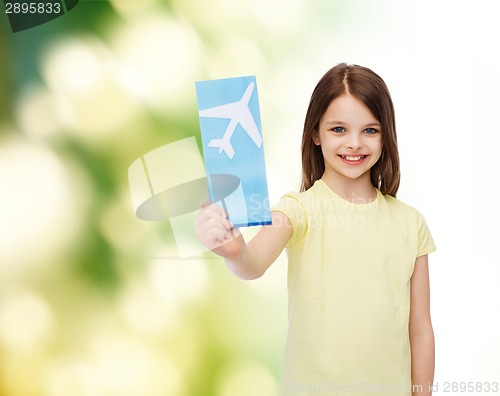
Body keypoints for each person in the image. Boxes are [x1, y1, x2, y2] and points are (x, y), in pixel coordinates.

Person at [195, 63, 436, 396]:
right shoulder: (299, 209)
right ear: (315, 134)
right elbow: (252, 262)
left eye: (370, 130)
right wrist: (234, 250)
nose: (355, 143)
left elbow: (420, 330)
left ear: (386, 135)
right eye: (339, 129)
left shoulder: (411, 223)